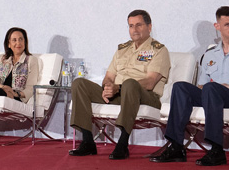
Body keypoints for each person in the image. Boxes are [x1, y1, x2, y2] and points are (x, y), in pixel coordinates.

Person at [150, 6, 229, 166]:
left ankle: (217, 150)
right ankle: (176, 147)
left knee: (211, 88)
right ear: (217, 26)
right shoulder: (210, 54)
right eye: (228, 24)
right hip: (213, 97)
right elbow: (202, 87)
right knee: (180, 87)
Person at [69, 9, 171, 159]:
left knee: (130, 83)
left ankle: (123, 144)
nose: (134, 30)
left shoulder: (159, 50)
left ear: (149, 27)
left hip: (146, 97)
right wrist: (108, 87)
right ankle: (88, 141)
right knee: (79, 83)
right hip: (119, 94)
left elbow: (150, 82)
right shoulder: (122, 49)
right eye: (131, 26)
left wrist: (119, 87)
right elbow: (109, 77)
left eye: (139, 25)